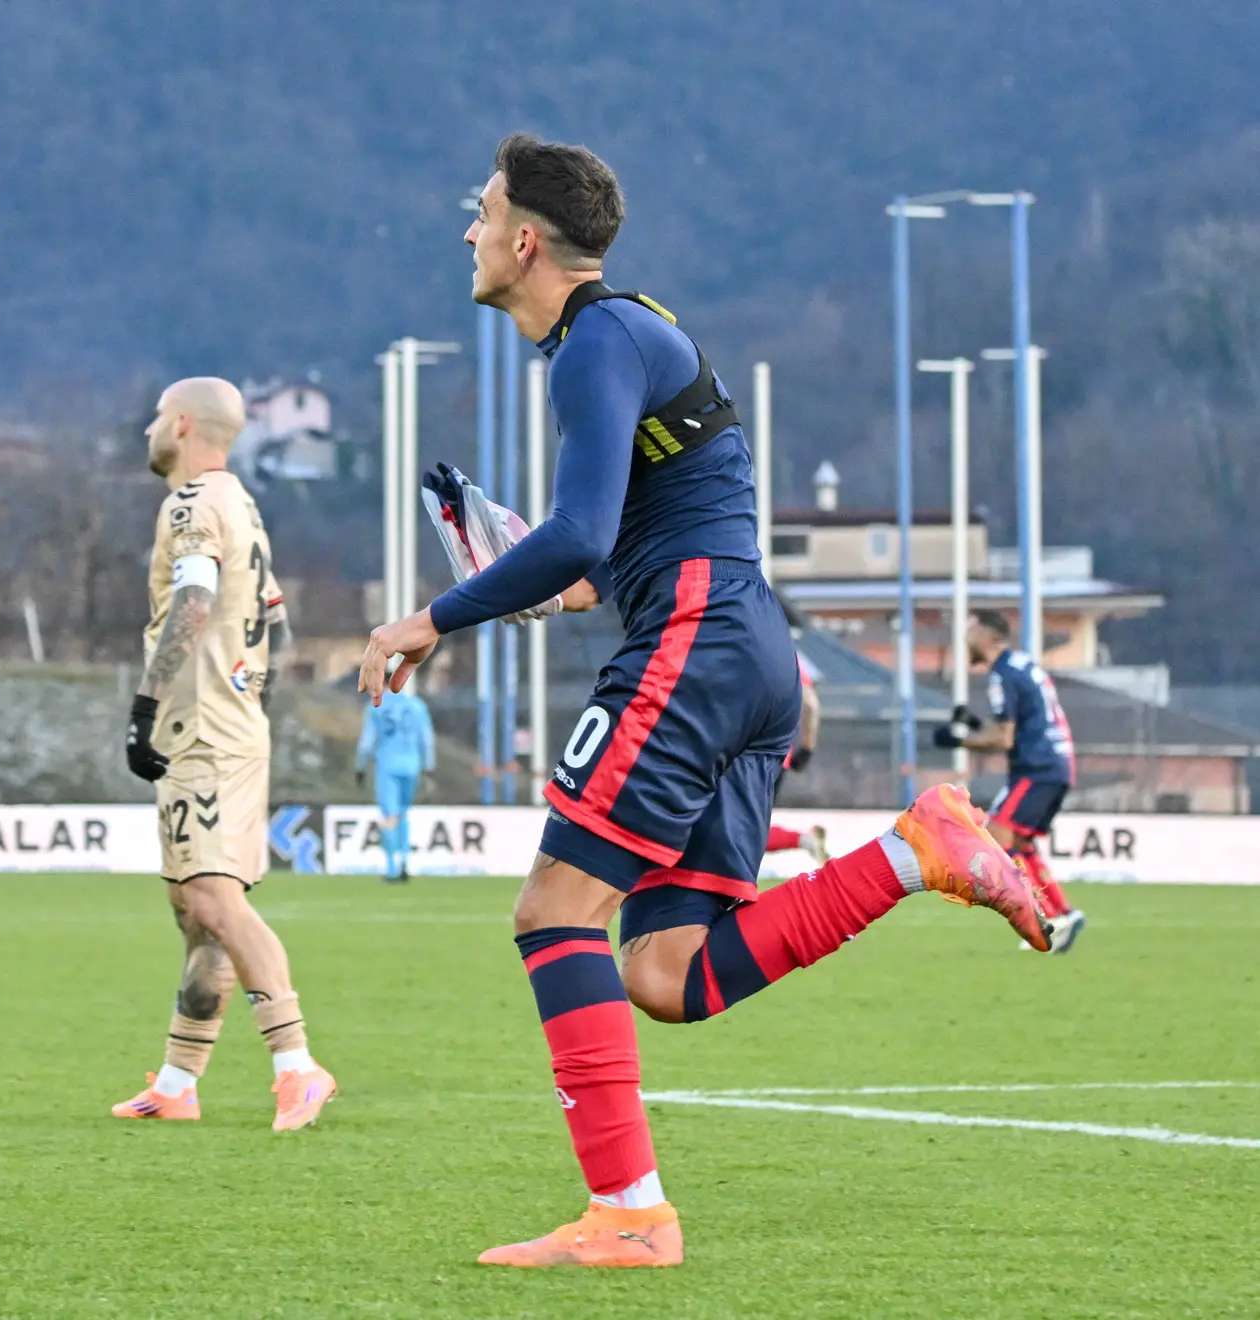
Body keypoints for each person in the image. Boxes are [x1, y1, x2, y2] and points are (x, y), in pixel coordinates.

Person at [358, 134, 1046, 1268]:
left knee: (552, 915)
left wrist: (436, 616)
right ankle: (917, 851)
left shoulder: (594, 343)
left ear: (526, 238)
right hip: (743, 651)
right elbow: (597, 556)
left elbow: (586, 535)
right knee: (663, 975)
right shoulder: (625, 337)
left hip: (694, 639)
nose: (466, 231)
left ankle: (629, 1216)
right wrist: (546, 581)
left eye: (479, 212)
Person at [113, 376, 338, 1132]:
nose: (147, 430)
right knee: (195, 911)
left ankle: (298, 1065)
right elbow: (271, 610)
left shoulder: (191, 503)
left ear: (180, 425)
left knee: (213, 899)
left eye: (154, 418)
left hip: (201, 726)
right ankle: (179, 1080)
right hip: (231, 721)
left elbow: (197, 599)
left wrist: (148, 703)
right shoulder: (242, 502)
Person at [934, 609, 1086, 952]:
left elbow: (1004, 738)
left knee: (996, 843)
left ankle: (1047, 920)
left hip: (1036, 768)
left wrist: (957, 741)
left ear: (988, 636)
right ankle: (1063, 912)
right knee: (1020, 845)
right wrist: (974, 725)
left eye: (970, 630)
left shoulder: (1002, 674)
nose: (965, 638)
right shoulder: (1021, 665)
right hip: (1056, 765)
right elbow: (1021, 726)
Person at [354, 686, 437, 881]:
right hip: (412, 765)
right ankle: (405, 861)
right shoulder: (417, 706)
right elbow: (426, 740)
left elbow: (367, 742)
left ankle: (392, 867)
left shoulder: (376, 706)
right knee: (403, 813)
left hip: (388, 765)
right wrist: (429, 767)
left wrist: (360, 767)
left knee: (389, 815)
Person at [763, 652, 829, 862]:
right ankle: (802, 839)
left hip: (738, 755)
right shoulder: (787, 654)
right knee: (751, 824)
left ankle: (801, 839)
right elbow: (810, 704)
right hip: (777, 757)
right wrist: (807, 748)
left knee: (738, 825)